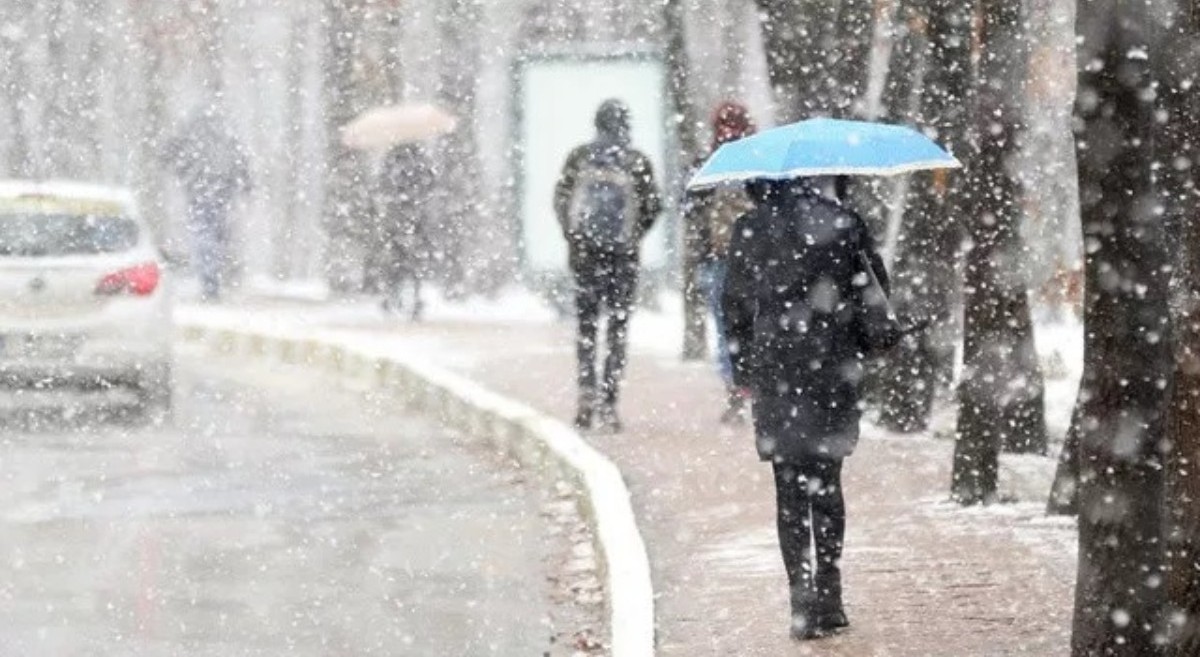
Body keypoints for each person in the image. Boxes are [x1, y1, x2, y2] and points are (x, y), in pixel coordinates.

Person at [722, 177, 891, 640]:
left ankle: (801, 600)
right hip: (832, 366)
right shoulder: (843, 222)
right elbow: (874, 291)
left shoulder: (750, 228)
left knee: (789, 486)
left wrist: (742, 371)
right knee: (828, 481)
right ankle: (831, 596)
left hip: (776, 368)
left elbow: (733, 304)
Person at [554, 99, 661, 433]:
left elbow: (561, 199)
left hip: (585, 257)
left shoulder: (579, 157)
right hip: (622, 259)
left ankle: (586, 392)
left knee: (587, 327)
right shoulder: (636, 161)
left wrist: (575, 237)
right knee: (618, 328)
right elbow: (653, 205)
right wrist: (631, 236)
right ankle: (609, 401)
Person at [684, 101, 758, 423]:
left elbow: (689, 206)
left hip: (719, 258)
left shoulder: (706, 165)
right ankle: (755, 386)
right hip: (757, 259)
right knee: (757, 324)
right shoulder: (759, 162)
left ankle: (735, 387)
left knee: (726, 328)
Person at [163, 109, 250, 302]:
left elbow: (171, 151)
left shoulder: (193, 126)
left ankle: (210, 279)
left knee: (203, 235)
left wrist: (180, 170)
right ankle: (213, 278)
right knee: (217, 235)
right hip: (221, 190)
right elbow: (239, 157)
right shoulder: (225, 128)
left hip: (199, 190)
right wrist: (244, 182)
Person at [372, 143, 435, 319]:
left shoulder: (392, 159)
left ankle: (394, 298)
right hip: (415, 218)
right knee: (413, 262)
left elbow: (383, 185)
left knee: (397, 261)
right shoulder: (420, 159)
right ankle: (412, 300)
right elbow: (430, 183)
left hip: (399, 218)